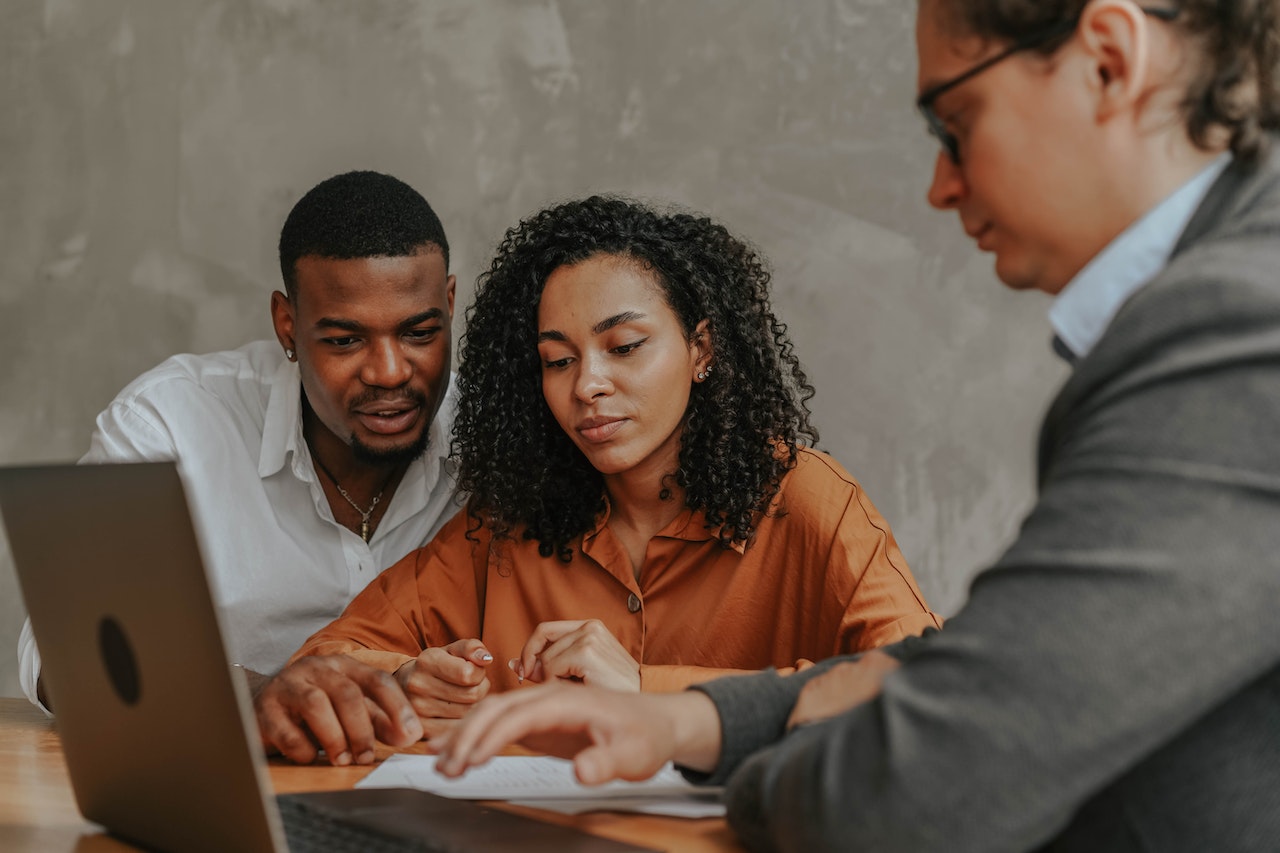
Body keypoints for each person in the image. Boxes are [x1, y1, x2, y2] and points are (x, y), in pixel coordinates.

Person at [431, 2, 1280, 850]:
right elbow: (988, 668)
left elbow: (915, 786)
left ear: (1107, 60)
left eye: (956, 123)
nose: (940, 187)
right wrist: (685, 724)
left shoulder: (1232, 328)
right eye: (558, 359)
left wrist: (790, 759)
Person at [253, 195, 941, 766]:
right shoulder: (510, 521)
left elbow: (929, 695)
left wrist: (651, 691)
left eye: (625, 347)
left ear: (700, 348)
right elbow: (325, 661)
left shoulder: (808, 502)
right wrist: (396, 682)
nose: (588, 385)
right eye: (557, 360)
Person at [17, 170, 460, 712]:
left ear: (451, 303)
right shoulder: (169, 425)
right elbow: (65, 649)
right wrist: (258, 696)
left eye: (419, 333)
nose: (390, 372)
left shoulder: (501, 431)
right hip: (225, 788)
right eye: (345, 340)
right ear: (287, 325)